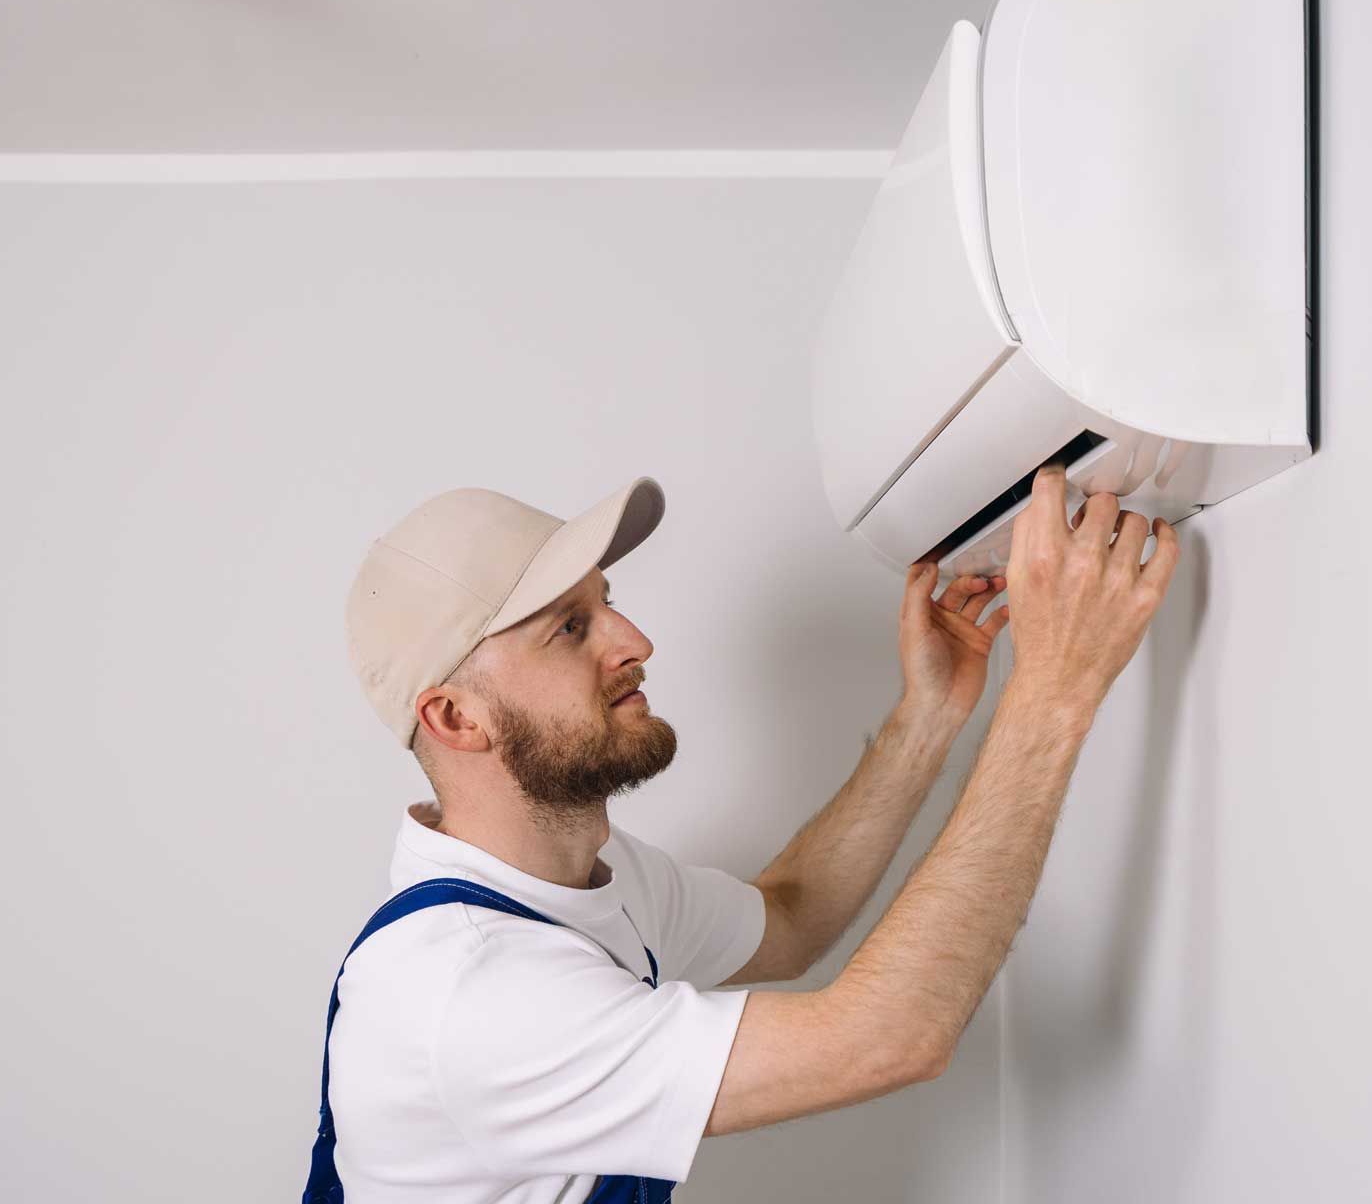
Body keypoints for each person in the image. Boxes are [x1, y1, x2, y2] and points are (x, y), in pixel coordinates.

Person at [309, 466, 1179, 1202]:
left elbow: (791, 916)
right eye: (569, 628)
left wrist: (929, 717)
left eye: (605, 604)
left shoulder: (576, 881)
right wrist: (1055, 689)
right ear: (457, 717)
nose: (635, 641)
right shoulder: (467, 997)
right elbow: (888, 1037)